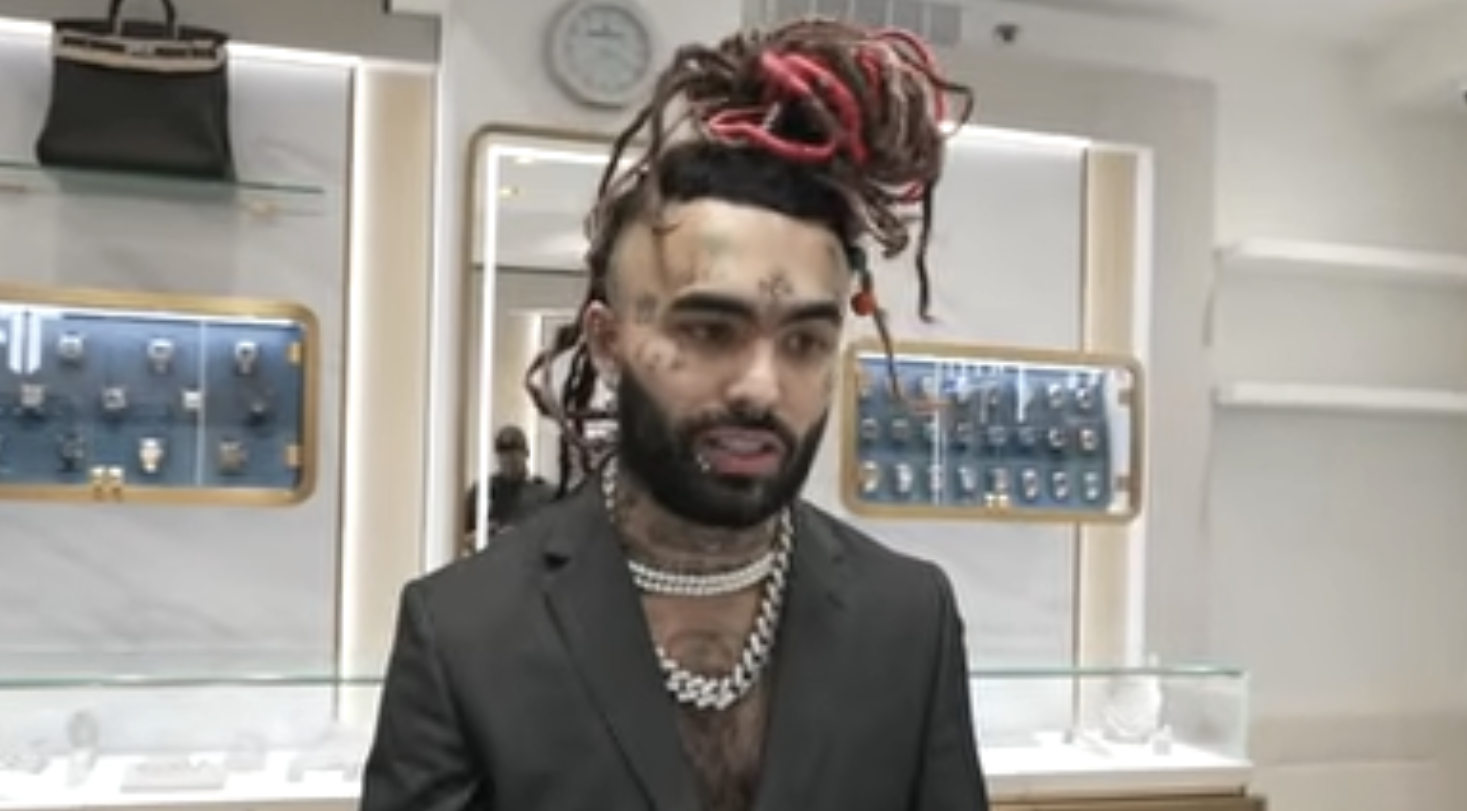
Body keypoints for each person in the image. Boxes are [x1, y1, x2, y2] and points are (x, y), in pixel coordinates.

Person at [363, 17, 987, 811]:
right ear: (608, 341)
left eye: (804, 340)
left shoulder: (908, 619)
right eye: (708, 331)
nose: (760, 387)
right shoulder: (463, 630)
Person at [462, 425, 556, 541]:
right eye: (503, 453)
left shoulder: (545, 494)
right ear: (497, 456)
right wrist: (481, 535)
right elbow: (461, 537)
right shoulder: (482, 491)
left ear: (526, 453)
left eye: (514, 452)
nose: (508, 458)